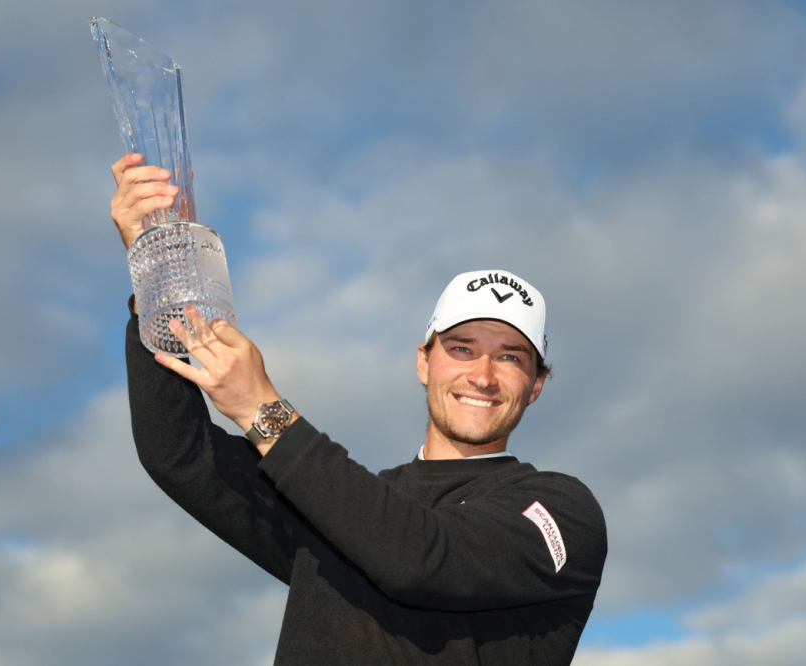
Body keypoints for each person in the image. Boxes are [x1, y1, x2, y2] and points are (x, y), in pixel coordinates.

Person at [110, 153, 608, 665]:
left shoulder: (561, 512)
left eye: (509, 357)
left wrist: (264, 409)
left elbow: (422, 560)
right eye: (462, 348)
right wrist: (158, 275)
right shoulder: (344, 504)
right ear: (423, 361)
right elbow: (179, 454)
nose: (482, 374)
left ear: (537, 385)